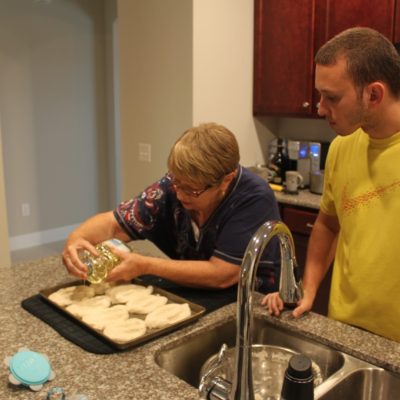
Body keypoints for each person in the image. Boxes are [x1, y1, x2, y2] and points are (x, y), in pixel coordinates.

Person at [262, 27, 400, 342]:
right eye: (320, 95)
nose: (321, 108)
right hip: (344, 327)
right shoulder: (341, 147)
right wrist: (308, 288)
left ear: (374, 94)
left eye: (332, 97)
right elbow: (327, 223)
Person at [63, 122, 281, 294]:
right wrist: (77, 238)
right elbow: (114, 224)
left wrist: (145, 265)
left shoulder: (254, 198)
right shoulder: (173, 185)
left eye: (191, 190)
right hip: (198, 293)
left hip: (255, 302)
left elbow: (222, 274)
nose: (178, 193)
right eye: (176, 182)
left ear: (226, 180)